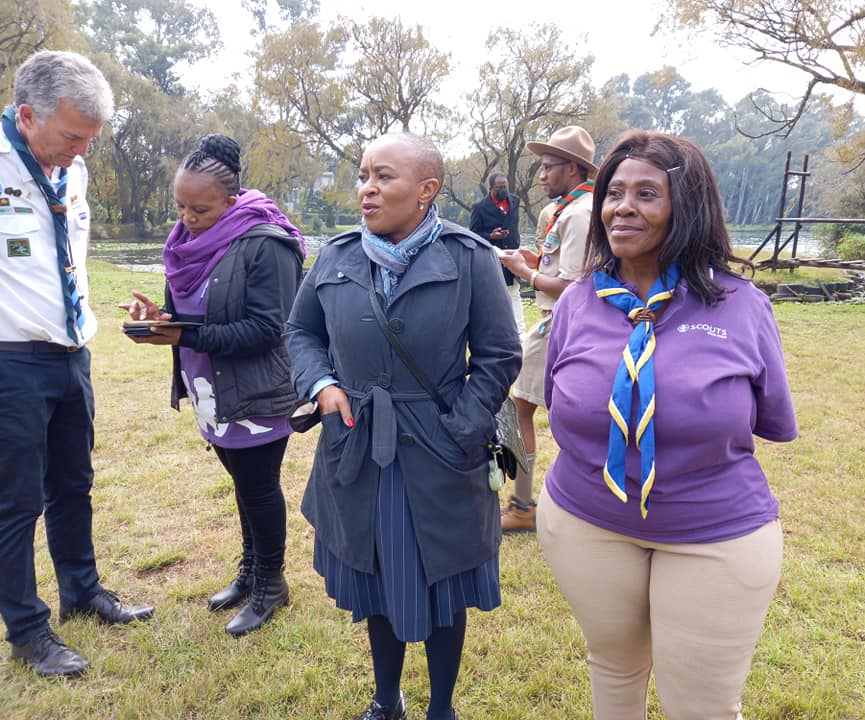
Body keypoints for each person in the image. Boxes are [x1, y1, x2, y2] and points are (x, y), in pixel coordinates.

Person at [536, 129, 798, 719]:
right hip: (586, 523)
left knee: (701, 707)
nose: (622, 207)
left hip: (714, 535)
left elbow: (771, 418)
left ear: (688, 207)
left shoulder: (742, 306)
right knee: (613, 670)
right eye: (614, 193)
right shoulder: (577, 301)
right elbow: (560, 402)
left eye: (647, 193)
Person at [284, 133, 521, 720]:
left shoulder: (469, 258)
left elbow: (499, 355)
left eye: (383, 177)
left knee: (445, 580)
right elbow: (300, 331)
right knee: (376, 578)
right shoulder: (336, 256)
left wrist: (462, 428)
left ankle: (442, 708)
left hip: (441, 451)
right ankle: (386, 700)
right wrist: (322, 384)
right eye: (364, 175)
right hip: (359, 445)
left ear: (426, 190)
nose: (366, 189)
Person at [0, 50, 154, 678]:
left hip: (72, 355)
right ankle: (27, 630)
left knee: (73, 483)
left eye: (91, 139)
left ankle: (82, 592)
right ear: (27, 116)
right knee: (15, 503)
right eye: (72, 136)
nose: (82, 151)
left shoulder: (75, 169)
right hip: (11, 360)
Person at [122, 134, 305, 637]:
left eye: (199, 209)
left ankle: (271, 582)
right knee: (241, 483)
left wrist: (185, 334)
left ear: (231, 201)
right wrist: (161, 319)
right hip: (211, 388)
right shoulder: (186, 243)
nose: (186, 218)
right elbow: (192, 309)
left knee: (259, 487)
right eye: (180, 207)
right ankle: (250, 570)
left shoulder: (267, 243)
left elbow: (270, 329)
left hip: (257, 391)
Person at [498, 125, 596, 532]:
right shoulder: (567, 210)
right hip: (560, 321)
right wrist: (536, 262)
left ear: (572, 168)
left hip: (562, 323)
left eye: (549, 166)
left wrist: (525, 273)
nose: (541, 175)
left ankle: (523, 505)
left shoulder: (580, 214)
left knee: (519, 405)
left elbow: (574, 287)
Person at [469, 172, 524, 333]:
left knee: (514, 291)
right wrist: (491, 236)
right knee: (494, 294)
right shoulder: (480, 207)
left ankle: (520, 331)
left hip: (512, 253)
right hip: (492, 256)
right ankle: (496, 329)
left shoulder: (515, 201)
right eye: (499, 187)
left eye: (504, 187)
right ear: (491, 188)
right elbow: (473, 234)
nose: (503, 190)